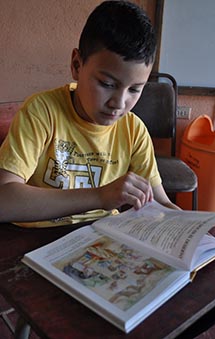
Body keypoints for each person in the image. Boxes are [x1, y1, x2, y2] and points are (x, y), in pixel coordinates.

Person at [0, 0, 179, 227]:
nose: (119, 103)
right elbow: (4, 200)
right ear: (76, 65)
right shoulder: (42, 112)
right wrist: (100, 196)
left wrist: (194, 232)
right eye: (107, 83)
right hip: (37, 239)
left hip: (102, 238)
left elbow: (161, 204)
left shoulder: (134, 131)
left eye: (134, 89)